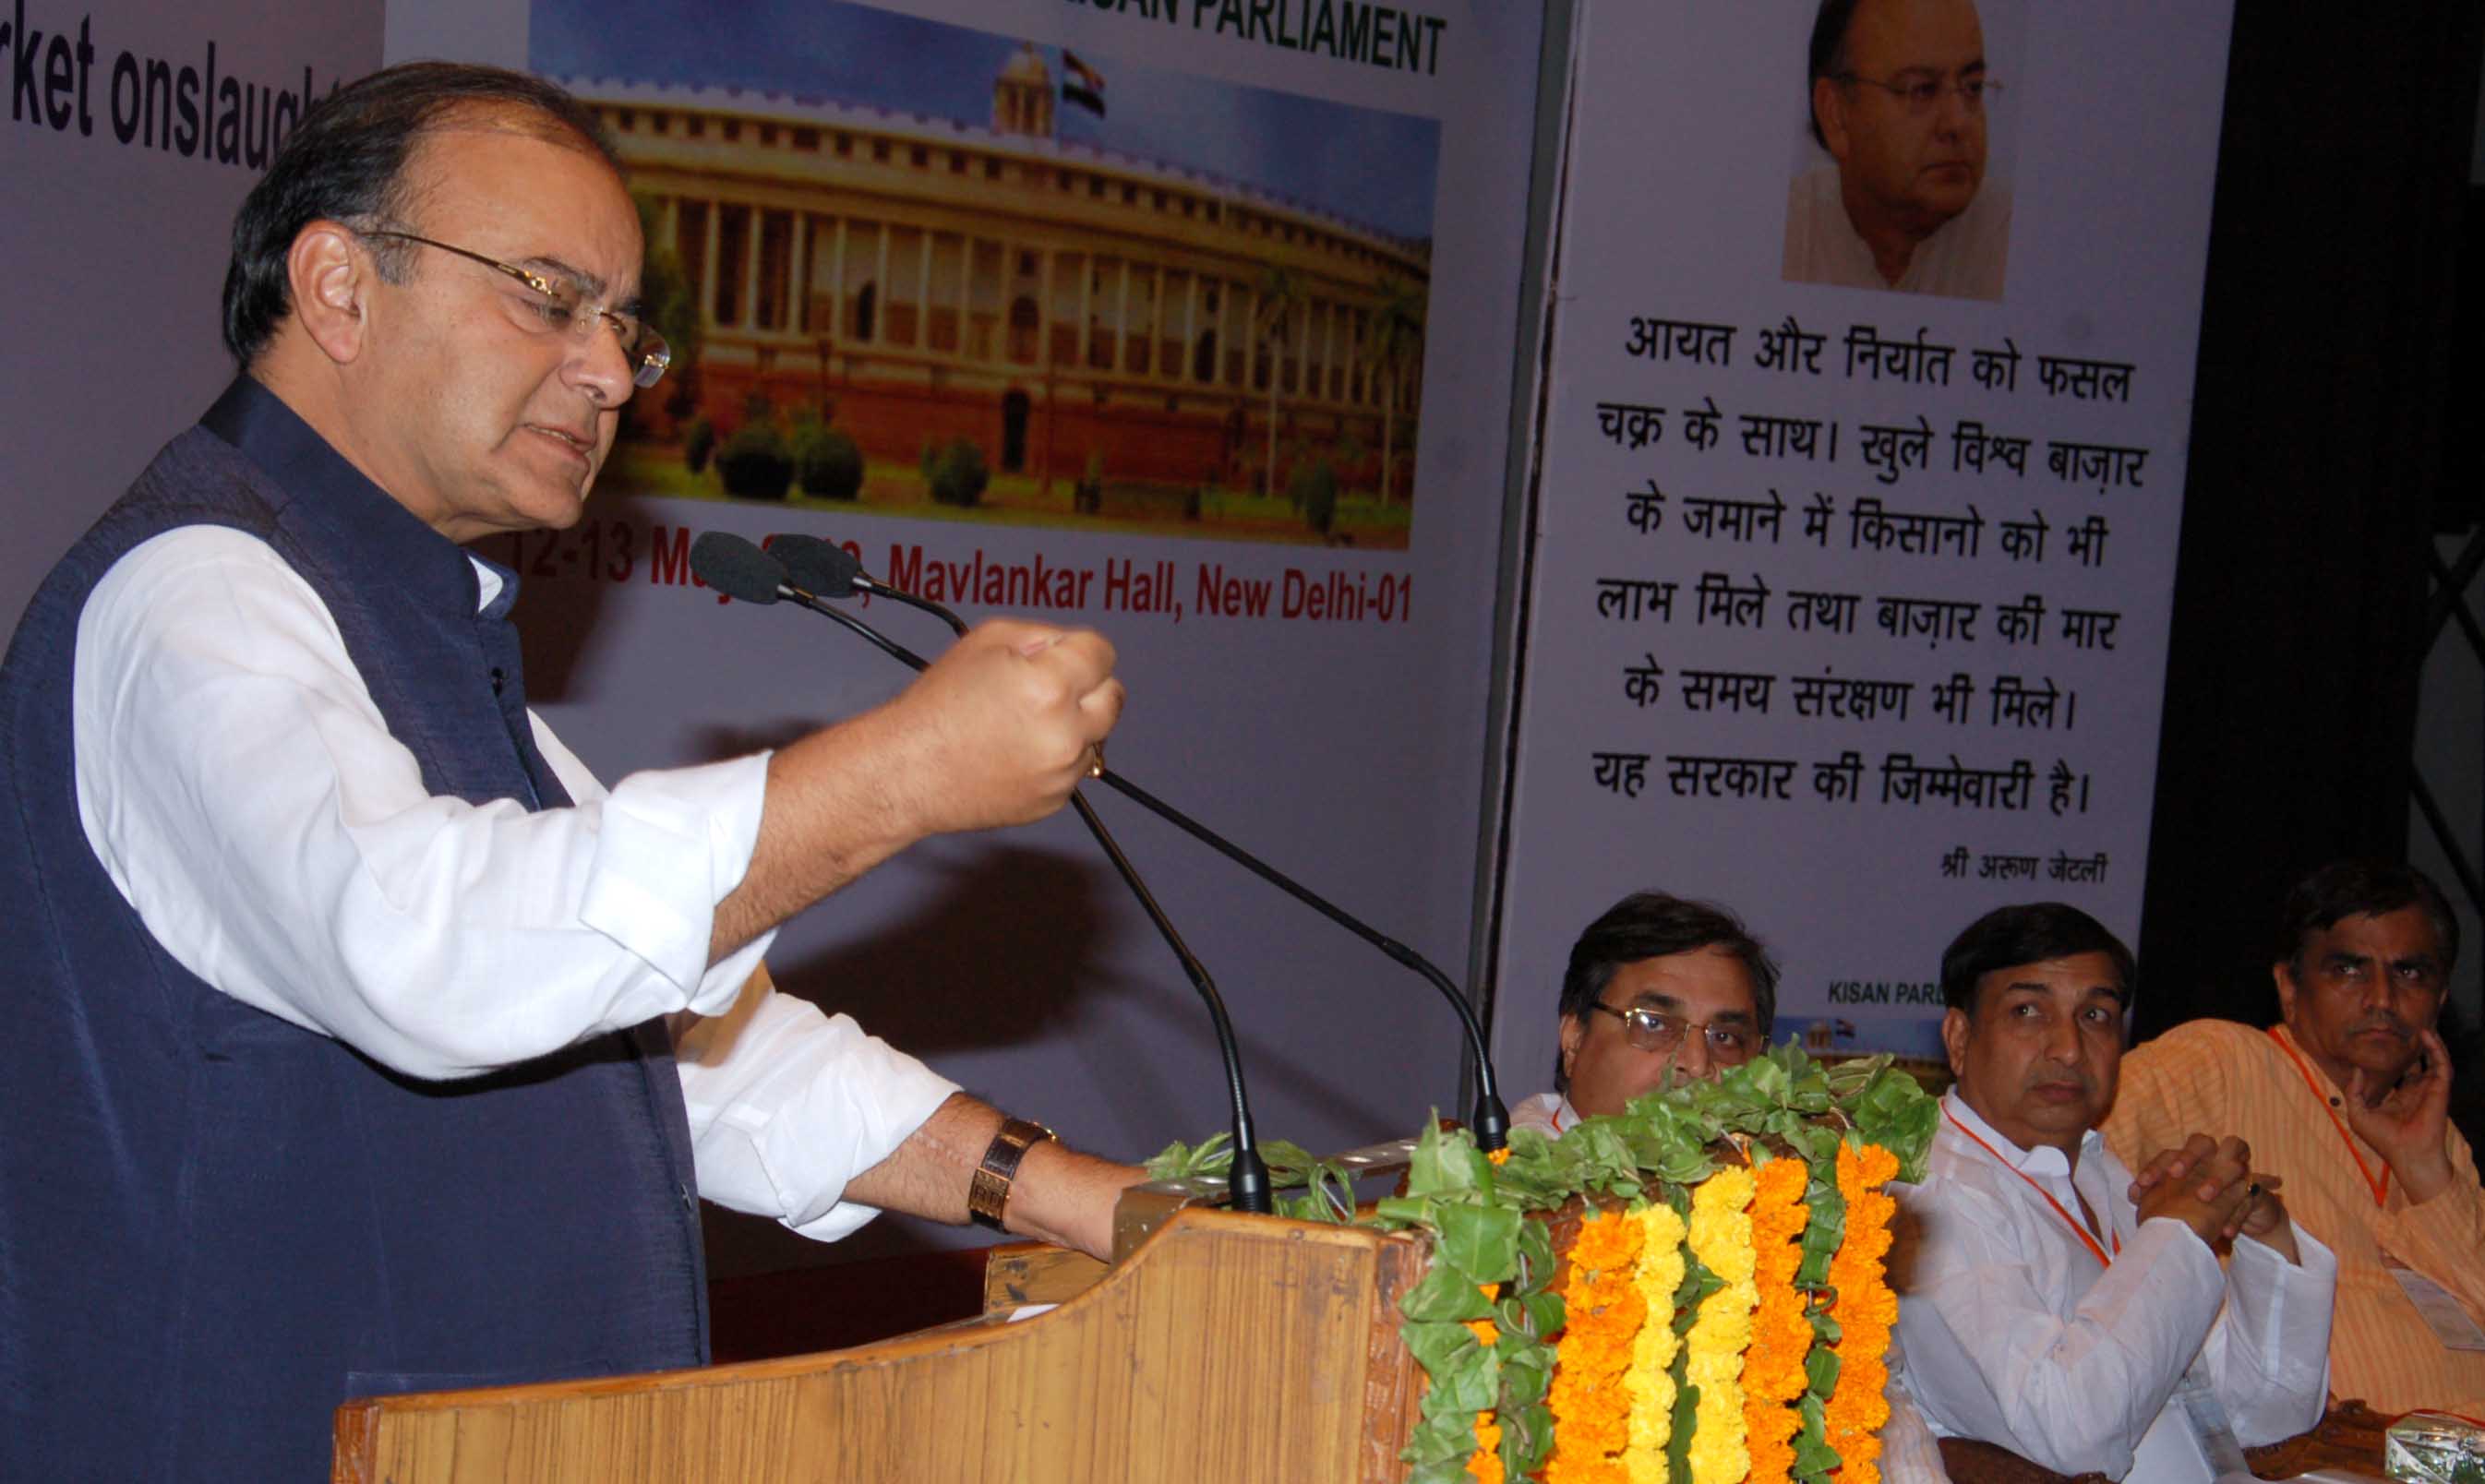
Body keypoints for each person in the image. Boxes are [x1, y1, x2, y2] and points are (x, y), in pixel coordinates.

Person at [0, 63, 1135, 1481]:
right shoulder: (195, 599)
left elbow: (667, 1032)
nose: (608, 373)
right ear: (340, 287)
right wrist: (897, 775)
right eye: (547, 296)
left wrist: (1062, 1190)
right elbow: (437, 949)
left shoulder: (411, 614)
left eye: (624, 329)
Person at [1893, 903, 2335, 1482]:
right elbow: (2068, 1434)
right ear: (1959, 1037)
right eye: (2027, 1011)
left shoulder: (2101, 1169)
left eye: (2096, 1015)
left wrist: (2264, 1234)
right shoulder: (1932, 1195)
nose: (2069, 1048)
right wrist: (2177, 1234)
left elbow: (2265, 1413)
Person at [2105, 860, 2484, 1413]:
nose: (2382, 998)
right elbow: (2063, 1161)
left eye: (2409, 974)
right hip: (2308, 1458)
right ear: (2288, 986)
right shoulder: (2222, 1063)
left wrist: (2423, 1166)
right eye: (2349, 970)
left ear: (2441, 1000)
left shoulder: (2438, 1136)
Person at [1782, 0, 2011, 300]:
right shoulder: (1785, 232)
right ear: (1835, 114)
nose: (1958, 122)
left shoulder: (2013, 237)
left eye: (1973, 87)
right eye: (1922, 90)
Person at [1514, 892, 1779, 1133]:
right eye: (1654, 1024)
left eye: (1724, 1038)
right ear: (1573, 1039)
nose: (1697, 1065)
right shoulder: (1506, 1181)